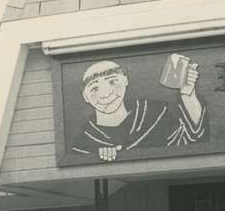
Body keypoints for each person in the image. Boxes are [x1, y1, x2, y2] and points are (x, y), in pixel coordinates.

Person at [70, 59, 208, 162]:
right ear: (85, 96)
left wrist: (188, 94)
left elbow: (193, 141)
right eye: (94, 88)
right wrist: (97, 158)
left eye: (112, 81)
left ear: (125, 80)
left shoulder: (155, 115)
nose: (106, 94)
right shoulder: (85, 144)